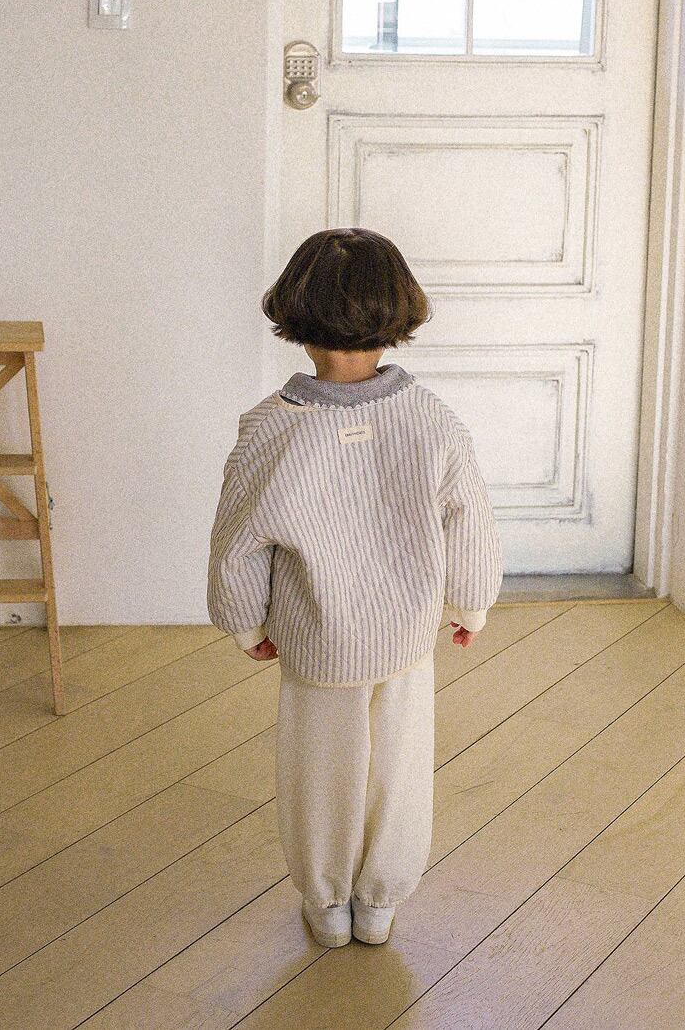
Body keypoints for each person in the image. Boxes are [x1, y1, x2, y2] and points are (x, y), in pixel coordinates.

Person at [207, 227, 504, 948]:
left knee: (320, 774)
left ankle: (328, 900)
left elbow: (237, 540)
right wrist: (471, 603)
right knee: (399, 769)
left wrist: (246, 623)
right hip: (405, 637)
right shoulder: (431, 420)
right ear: (397, 309)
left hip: (315, 638)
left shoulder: (269, 430)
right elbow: (470, 517)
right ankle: (379, 903)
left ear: (295, 312)